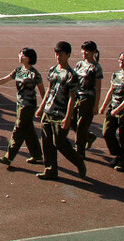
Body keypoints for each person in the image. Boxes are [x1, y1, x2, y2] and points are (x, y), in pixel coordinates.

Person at [0, 47, 45, 167]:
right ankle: (36, 154)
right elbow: (4, 80)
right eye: (20, 54)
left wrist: (43, 107)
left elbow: (42, 91)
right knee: (28, 130)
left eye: (23, 55)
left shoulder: (34, 74)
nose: (20, 56)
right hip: (19, 104)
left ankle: (8, 157)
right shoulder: (18, 70)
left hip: (28, 106)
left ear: (30, 58)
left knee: (18, 130)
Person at [36, 41, 86, 180]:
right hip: (48, 110)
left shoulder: (71, 75)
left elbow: (72, 98)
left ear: (68, 55)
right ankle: (50, 169)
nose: (58, 57)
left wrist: (68, 117)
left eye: (61, 54)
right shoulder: (53, 70)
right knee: (46, 141)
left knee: (60, 142)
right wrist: (41, 107)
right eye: (56, 54)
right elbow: (50, 90)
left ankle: (78, 161)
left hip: (61, 113)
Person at [98, 50, 124, 172]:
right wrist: (104, 105)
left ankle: (123, 162)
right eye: (120, 60)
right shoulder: (116, 74)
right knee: (107, 132)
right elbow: (111, 91)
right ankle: (118, 154)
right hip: (113, 108)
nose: (121, 62)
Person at [72, 40, 104, 160]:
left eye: (87, 50)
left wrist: (96, 105)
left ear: (94, 52)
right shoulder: (80, 64)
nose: (84, 52)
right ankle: (89, 137)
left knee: (81, 124)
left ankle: (79, 151)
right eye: (83, 50)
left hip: (88, 98)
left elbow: (98, 87)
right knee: (71, 120)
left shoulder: (96, 67)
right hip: (77, 96)